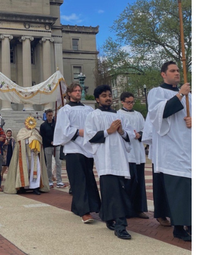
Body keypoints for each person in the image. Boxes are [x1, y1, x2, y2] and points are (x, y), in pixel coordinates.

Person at [141, 61, 192, 242]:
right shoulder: (157, 92)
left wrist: (191, 120)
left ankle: (190, 225)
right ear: (163, 74)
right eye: (172, 71)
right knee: (178, 190)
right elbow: (158, 114)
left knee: (188, 188)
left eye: (178, 70)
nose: (177, 73)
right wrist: (180, 95)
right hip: (170, 148)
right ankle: (178, 228)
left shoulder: (189, 96)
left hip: (187, 145)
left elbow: (190, 116)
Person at [85, 86, 133, 240]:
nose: (108, 98)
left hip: (120, 159)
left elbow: (128, 136)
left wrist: (121, 132)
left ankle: (108, 217)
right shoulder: (93, 115)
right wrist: (108, 131)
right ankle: (121, 226)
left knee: (116, 193)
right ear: (97, 99)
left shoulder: (120, 116)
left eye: (110, 95)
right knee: (112, 193)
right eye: (104, 95)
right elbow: (90, 136)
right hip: (105, 160)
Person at [54, 82, 101, 224]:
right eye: (75, 91)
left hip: (87, 149)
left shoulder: (88, 109)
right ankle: (84, 211)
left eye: (79, 90)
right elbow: (63, 130)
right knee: (78, 181)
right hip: (73, 148)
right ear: (69, 94)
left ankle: (82, 206)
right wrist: (78, 132)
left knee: (88, 179)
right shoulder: (65, 110)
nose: (78, 93)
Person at [4, 116, 50, 196]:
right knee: (23, 169)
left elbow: (40, 140)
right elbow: (19, 139)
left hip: (34, 155)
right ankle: (22, 187)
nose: (28, 125)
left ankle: (35, 187)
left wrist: (34, 139)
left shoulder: (35, 132)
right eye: (27, 123)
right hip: (24, 154)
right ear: (25, 123)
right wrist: (29, 139)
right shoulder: (22, 131)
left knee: (35, 170)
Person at [40, 109, 59, 188]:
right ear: (46, 115)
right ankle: (49, 180)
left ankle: (59, 180)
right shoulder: (43, 125)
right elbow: (42, 136)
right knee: (49, 164)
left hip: (56, 145)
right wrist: (50, 141)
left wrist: (56, 141)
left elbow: (59, 133)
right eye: (49, 115)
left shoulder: (56, 124)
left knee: (58, 163)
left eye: (51, 115)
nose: (50, 117)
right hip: (47, 145)